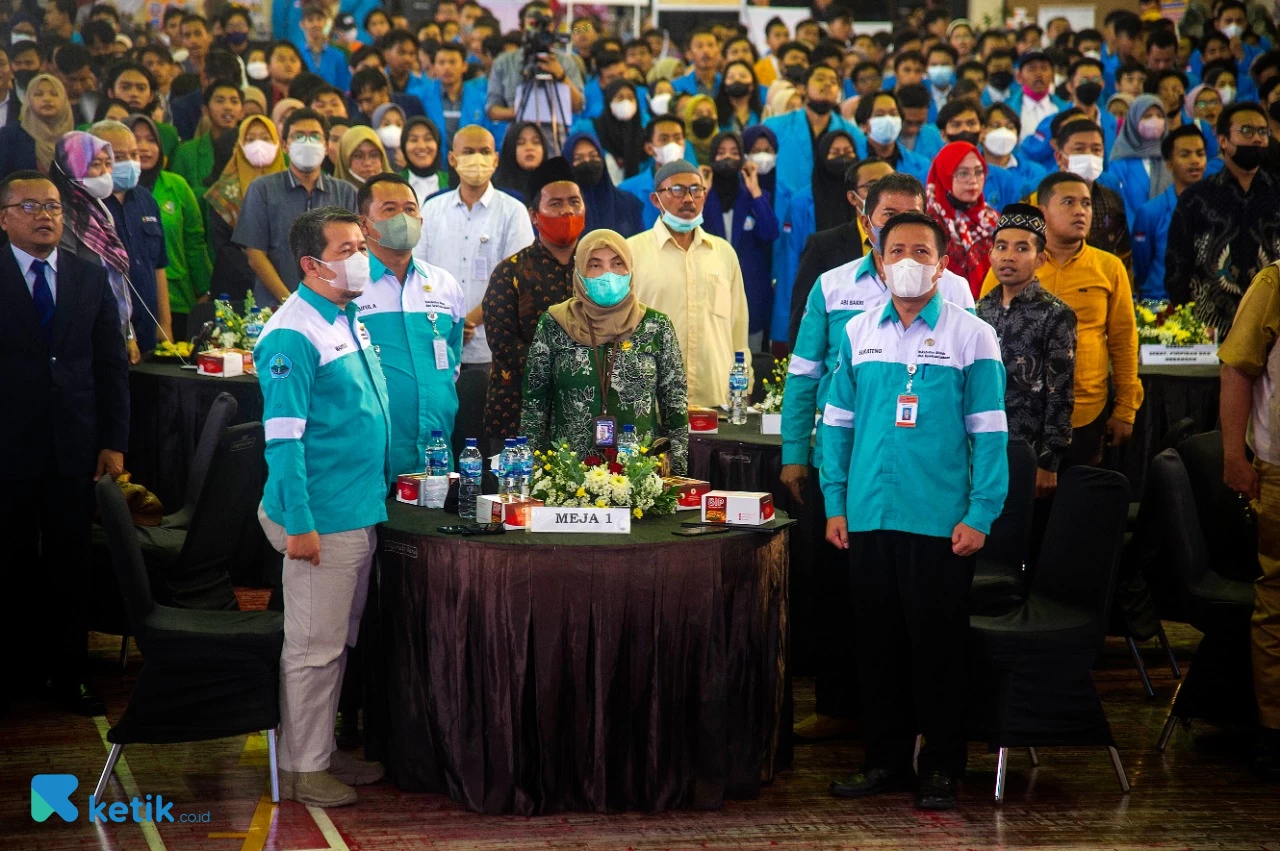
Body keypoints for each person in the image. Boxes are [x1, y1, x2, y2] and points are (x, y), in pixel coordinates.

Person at [821, 210, 1007, 811]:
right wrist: (834, 502)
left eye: (920, 251)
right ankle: (885, 762)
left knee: (938, 650)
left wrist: (980, 513)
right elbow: (839, 425)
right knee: (876, 647)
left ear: (943, 263)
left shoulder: (970, 333)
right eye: (894, 249)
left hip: (939, 521)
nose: (907, 259)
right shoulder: (857, 334)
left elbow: (989, 432)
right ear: (878, 261)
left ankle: (943, 767)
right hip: (868, 515)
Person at [782, 175, 975, 740]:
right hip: (851, 462)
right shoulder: (834, 285)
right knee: (843, 593)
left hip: (928, 472)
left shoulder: (958, 291)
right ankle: (845, 711)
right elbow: (803, 374)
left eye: (912, 223)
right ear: (868, 222)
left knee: (924, 606)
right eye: (887, 220)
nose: (900, 235)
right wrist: (797, 452)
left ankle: (921, 729)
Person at [255, 206, 391, 808]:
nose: (361, 255)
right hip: (320, 517)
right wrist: (300, 525)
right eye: (348, 248)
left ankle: (322, 751)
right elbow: (283, 439)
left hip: (357, 507)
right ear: (312, 264)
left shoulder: (346, 314)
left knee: (337, 641)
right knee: (313, 648)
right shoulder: (292, 332)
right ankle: (304, 769)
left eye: (362, 244)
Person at [0, 169, 128, 716]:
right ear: (4, 217)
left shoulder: (88, 273)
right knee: (8, 562)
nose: (44, 215)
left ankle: (68, 672)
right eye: (29, 206)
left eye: (51, 205)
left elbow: (111, 365)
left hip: (74, 445)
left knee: (71, 564)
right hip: (8, 444)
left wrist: (113, 441)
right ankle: (11, 672)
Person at [980, 173, 1142, 467]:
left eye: (1086, 204)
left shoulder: (1109, 267)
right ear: (1043, 212)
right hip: (1013, 415)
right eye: (1068, 202)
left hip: (1086, 410)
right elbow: (986, 340)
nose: (1080, 211)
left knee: (1075, 503)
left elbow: (1124, 341)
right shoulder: (1008, 265)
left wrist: (1125, 410)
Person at [520, 228, 689, 474]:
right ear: (579, 273)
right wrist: (531, 475)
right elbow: (534, 404)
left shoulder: (655, 326)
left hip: (640, 474)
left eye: (618, 263)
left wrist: (679, 474)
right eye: (595, 265)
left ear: (630, 269)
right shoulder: (555, 323)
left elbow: (675, 404)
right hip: (568, 475)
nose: (608, 274)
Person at [356, 174, 465, 475]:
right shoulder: (349, 286)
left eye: (409, 209)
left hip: (436, 452)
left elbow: (451, 362)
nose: (403, 217)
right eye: (389, 209)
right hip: (371, 454)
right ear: (364, 224)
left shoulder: (445, 284)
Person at [1217, 258, 1280, 781]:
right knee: (1277, 599)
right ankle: (1274, 728)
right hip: (1278, 469)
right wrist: (1234, 456)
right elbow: (1237, 368)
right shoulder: (1274, 281)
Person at [628, 160, 749, 409]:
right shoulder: (631, 252)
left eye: (696, 190)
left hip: (714, 396)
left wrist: (742, 386)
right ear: (655, 199)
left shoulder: (723, 253)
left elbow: (738, 327)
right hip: (652, 400)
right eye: (677, 190)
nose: (688, 199)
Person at [414, 124, 535, 371]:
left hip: (492, 347)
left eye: (484, 151)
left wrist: (466, 322)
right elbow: (418, 274)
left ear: (496, 159)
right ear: (452, 158)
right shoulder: (432, 209)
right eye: (468, 151)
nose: (477, 158)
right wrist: (448, 325)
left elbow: (516, 280)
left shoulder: (513, 211)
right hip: (437, 341)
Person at [485, 158, 587, 446]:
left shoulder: (598, 270)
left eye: (574, 202)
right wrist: (566, 369)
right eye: (555, 204)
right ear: (534, 215)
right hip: (518, 411)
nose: (567, 211)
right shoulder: (511, 272)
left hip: (585, 410)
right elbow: (502, 343)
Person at [975, 204, 1077, 493]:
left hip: (1028, 449)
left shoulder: (1055, 314)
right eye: (1001, 247)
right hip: (981, 445)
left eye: (1022, 249)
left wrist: (1049, 460)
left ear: (1040, 258)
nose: (1009, 256)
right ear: (991, 254)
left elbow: (1061, 393)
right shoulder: (978, 311)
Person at [1167, 102, 1280, 338]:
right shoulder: (1196, 198)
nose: (1257, 139)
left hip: (1273, 327)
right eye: (1247, 131)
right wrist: (1184, 323)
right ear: (1223, 141)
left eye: (1262, 131)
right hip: (1210, 328)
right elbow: (1177, 265)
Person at [236, 109, 359, 306]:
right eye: (298, 136)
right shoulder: (263, 189)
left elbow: (356, 252)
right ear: (284, 145)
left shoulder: (346, 192)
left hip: (334, 306)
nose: (307, 142)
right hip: (275, 307)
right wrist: (290, 301)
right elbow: (255, 253)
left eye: (315, 136)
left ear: (326, 146)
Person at [785, 157, 895, 347]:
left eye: (892, 185)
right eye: (872, 187)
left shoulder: (921, 247)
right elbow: (802, 317)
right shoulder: (823, 246)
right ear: (852, 197)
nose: (885, 194)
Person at [87, 121, 170, 354]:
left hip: (148, 334)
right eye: (120, 156)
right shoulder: (88, 205)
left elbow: (159, 268)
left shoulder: (146, 200)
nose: (131, 162)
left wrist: (165, 327)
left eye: (134, 154)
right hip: (107, 334)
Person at [127, 114, 211, 343]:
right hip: (131, 299)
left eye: (151, 140)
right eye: (136, 140)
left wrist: (204, 290)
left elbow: (195, 241)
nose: (144, 148)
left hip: (178, 297)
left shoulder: (177, 185)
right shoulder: (114, 191)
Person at [775, 130, 861, 340]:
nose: (842, 157)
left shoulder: (862, 200)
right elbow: (791, 262)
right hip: (815, 295)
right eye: (835, 152)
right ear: (822, 157)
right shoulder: (801, 202)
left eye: (848, 152)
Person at [701, 131, 779, 350]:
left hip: (750, 294)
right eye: (721, 153)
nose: (728, 158)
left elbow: (770, 233)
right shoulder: (704, 197)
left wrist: (755, 190)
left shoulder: (755, 196)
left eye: (735, 153)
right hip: (711, 294)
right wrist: (702, 193)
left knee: (747, 366)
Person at [205, 115, 287, 305]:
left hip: (287, 280)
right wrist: (260, 272)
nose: (258, 145)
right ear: (239, 145)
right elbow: (223, 246)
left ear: (278, 144)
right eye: (250, 139)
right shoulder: (223, 193)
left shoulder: (292, 186)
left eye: (265, 138)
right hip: (236, 287)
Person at [763, 64, 864, 216]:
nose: (827, 84)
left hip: (836, 214)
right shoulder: (774, 127)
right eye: (820, 79)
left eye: (833, 81)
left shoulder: (853, 134)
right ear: (802, 88)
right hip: (784, 213)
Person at [485, 1, 585, 143]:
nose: (541, 29)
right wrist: (517, 111)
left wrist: (560, 75)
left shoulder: (566, 62)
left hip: (555, 142)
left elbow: (578, 105)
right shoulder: (504, 62)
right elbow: (491, 109)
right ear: (521, 27)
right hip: (517, 140)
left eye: (546, 24)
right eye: (534, 24)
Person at [1132, 124, 1207, 300]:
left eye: (1200, 153)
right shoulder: (1150, 212)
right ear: (1168, 163)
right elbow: (1141, 264)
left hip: (1205, 300)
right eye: (1185, 154)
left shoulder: (1217, 208)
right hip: (1160, 300)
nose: (1195, 160)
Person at [1047, 119, 1133, 269]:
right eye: (1079, 149)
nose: (1089, 155)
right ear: (1059, 157)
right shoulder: (1037, 201)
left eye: (1096, 150)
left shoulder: (1114, 203)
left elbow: (1124, 257)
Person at [927, 141, 998, 297]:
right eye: (963, 173)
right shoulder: (928, 222)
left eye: (979, 172)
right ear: (945, 175)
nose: (973, 180)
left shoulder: (992, 219)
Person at [1098, 94, 1172, 227]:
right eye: (1147, 116)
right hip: (1134, 233)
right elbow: (1119, 204)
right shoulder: (1120, 162)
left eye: (1160, 116)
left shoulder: (1170, 158)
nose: (1155, 120)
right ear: (1133, 120)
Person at [170, 80, 244, 198]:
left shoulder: (251, 150)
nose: (228, 107)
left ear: (242, 112)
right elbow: (176, 196)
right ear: (205, 110)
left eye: (234, 101)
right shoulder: (185, 152)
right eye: (220, 101)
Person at [562, 132, 643, 236]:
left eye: (594, 156)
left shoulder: (628, 203)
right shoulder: (560, 210)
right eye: (578, 159)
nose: (587, 161)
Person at [618, 116, 689, 226]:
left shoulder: (697, 188)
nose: (672, 144)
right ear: (649, 149)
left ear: (684, 145)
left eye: (677, 138)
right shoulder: (626, 191)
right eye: (664, 139)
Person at [0, 74, 73, 178]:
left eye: (54, 94)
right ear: (28, 100)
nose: (47, 99)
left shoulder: (76, 138)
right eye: (38, 94)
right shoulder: (9, 136)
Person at [855, 91, 930, 181]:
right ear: (863, 125)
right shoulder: (853, 160)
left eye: (893, 114)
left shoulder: (923, 165)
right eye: (879, 115)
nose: (888, 120)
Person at [592, 79, 648, 183]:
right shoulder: (592, 129)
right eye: (620, 98)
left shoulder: (645, 133)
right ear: (609, 101)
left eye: (631, 98)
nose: (626, 102)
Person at [1016, 50, 1066, 143]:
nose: (1039, 74)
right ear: (1019, 76)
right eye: (1032, 69)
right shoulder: (1008, 109)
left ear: (1052, 75)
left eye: (1044, 68)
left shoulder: (1065, 109)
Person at [399, 116, 450, 205]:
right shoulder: (394, 184)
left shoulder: (451, 182)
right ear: (404, 147)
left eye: (428, 139)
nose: (421, 146)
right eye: (413, 140)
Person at [492, 121, 546, 202]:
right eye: (520, 143)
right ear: (510, 148)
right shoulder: (497, 192)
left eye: (536, 142)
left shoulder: (554, 188)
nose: (530, 148)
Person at [715, 59, 762, 132]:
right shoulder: (715, 114)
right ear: (724, 85)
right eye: (731, 77)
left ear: (752, 85)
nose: (737, 79)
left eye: (743, 76)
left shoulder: (762, 115)